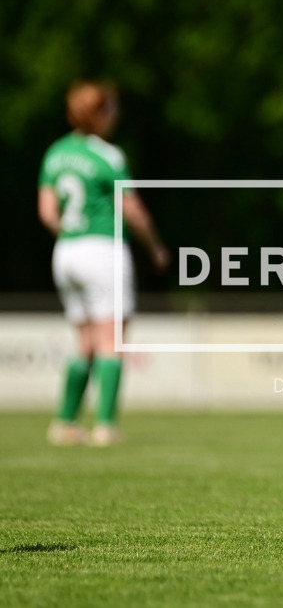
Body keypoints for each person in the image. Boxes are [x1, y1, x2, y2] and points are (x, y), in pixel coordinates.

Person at [38, 80, 169, 447]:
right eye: (110, 108)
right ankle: (105, 426)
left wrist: (70, 235)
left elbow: (47, 212)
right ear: (97, 113)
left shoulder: (55, 154)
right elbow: (133, 209)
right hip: (103, 250)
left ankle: (65, 422)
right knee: (112, 340)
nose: (115, 115)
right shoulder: (107, 155)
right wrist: (155, 245)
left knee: (85, 342)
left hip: (66, 252)